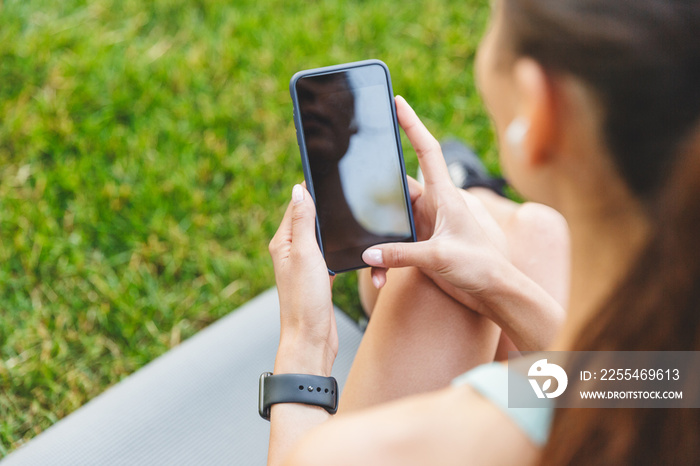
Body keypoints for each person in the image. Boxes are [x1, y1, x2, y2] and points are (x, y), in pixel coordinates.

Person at [266, 0, 700, 464]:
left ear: (540, 106)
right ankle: (476, 201)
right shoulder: (675, 373)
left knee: (458, 268)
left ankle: (472, 197)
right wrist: (497, 286)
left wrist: (304, 343)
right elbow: (642, 387)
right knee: (534, 232)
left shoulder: (446, 440)